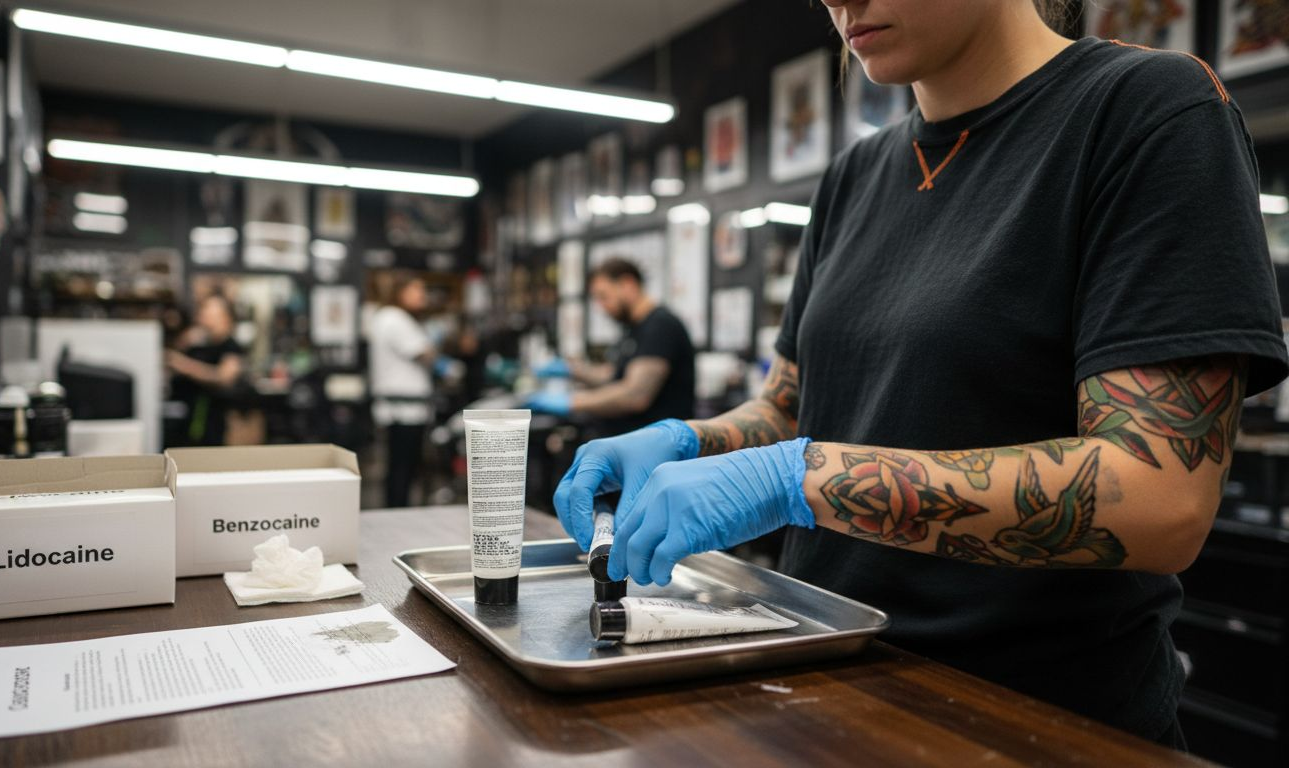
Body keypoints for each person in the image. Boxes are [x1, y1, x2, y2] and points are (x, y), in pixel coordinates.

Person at [551, 0, 1288, 748]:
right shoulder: (853, 178)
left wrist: (794, 480)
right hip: (818, 676)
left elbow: (1159, 497)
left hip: (1029, 719)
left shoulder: (1144, 111)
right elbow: (790, 410)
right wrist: (687, 441)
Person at [527, 258, 696, 436]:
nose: (601, 307)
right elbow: (614, 375)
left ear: (627, 284)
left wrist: (571, 402)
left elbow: (635, 395)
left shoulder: (661, 325)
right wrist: (571, 370)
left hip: (657, 450)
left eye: (603, 296)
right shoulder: (633, 328)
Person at [368, 271, 436, 507]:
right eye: (417, 289)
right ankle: (397, 514)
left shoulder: (390, 317)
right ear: (400, 291)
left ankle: (397, 511)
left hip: (403, 407)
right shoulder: (394, 318)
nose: (422, 295)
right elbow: (424, 353)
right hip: (403, 409)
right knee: (401, 470)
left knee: (401, 469)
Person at [165, 294, 245, 446]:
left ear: (225, 317)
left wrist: (185, 365)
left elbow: (223, 377)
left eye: (209, 312)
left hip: (212, 422)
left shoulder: (231, 347)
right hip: (185, 420)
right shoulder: (198, 343)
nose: (204, 316)